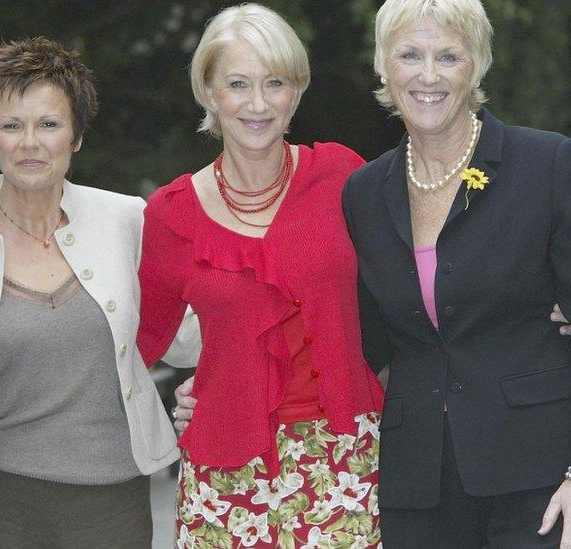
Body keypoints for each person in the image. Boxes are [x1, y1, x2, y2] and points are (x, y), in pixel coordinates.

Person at [340, 0, 571, 547]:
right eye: (410, 55)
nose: (428, 75)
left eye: (448, 56)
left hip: (538, 480)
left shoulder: (548, 166)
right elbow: (365, 340)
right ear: (384, 66)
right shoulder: (363, 193)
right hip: (417, 486)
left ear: (476, 65)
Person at [0, 37, 200, 548]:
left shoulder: (130, 221)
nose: (30, 142)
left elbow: (194, 335)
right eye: (11, 125)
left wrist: (207, 388)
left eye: (49, 124)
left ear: (76, 136)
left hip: (113, 501)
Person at [137, 5, 386, 548]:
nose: (257, 103)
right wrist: (175, 409)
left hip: (342, 456)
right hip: (224, 470)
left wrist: (541, 305)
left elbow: (416, 272)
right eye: (238, 84)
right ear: (209, 92)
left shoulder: (343, 176)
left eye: (275, 83)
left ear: (296, 92)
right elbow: (135, 341)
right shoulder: (171, 213)